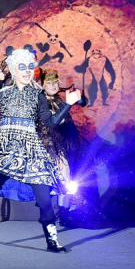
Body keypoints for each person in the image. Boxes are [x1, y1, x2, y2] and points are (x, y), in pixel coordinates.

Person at [0, 47, 80, 252]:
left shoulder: (38, 95)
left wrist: (67, 104)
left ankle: (52, 241)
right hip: (4, 147)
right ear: (13, 69)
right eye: (22, 67)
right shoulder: (2, 92)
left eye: (30, 67)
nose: (27, 71)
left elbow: (51, 122)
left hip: (30, 150)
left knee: (44, 200)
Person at [39, 68, 90, 224]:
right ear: (42, 85)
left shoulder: (60, 99)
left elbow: (83, 102)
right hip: (48, 146)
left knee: (68, 177)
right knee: (61, 176)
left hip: (65, 144)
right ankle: (60, 211)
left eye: (55, 82)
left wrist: (79, 99)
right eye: (49, 83)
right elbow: (53, 122)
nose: (54, 86)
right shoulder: (40, 101)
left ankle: (65, 210)